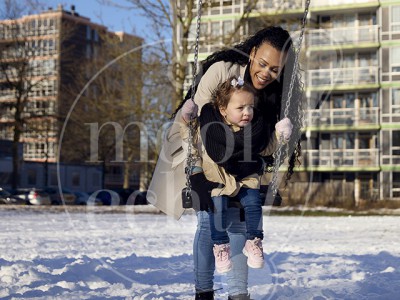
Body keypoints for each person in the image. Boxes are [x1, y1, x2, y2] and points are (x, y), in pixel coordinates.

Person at [147, 26, 304, 300]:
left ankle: (238, 294)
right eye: (263, 63)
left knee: (240, 223)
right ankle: (204, 292)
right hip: (202, 157)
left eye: (275, 69)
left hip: (242, 168)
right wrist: (195, 172)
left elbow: (268, 145)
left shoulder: (273, 96)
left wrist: (281, 138)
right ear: (252, 53)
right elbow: (192, 126)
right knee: (209, 222)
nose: (266, 73)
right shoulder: (222, 72)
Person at [181, 75, 292, 275]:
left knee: (253, 204)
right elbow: (189, 139)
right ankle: (220, 247)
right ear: (223, 110)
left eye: (250, 107)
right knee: (218, 209)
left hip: (246, 178)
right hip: (218, 179)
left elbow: (267, 149)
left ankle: (254, 241)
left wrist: (279, 135)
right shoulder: (209, 129)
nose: (247, 112)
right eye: (240, 108)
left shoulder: (255, 130)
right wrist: (186, 119)